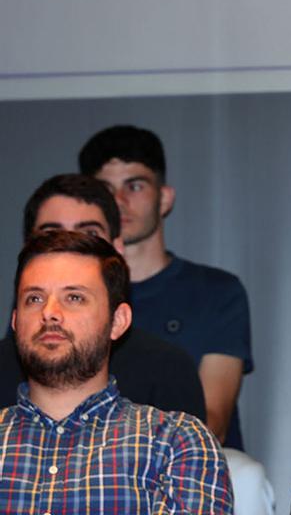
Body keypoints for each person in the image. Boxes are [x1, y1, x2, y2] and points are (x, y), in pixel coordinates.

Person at [0, 230, 231, 513]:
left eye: (74, 297)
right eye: (34, 299)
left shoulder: (174, 441)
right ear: (15, 321)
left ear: (118, 321)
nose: (49, 312)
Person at [79, 124, 253, 449]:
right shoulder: (60, 296)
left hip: (188, 468)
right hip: (82, 474)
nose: (118, 201)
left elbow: (211, 423)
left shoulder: (217, 292)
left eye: (134, 185)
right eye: (105, 189)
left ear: (165, 198)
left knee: (246, 475)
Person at [0, 173, 207, 419]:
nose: (67, 248)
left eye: (89, 234)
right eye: (50, 236)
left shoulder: (168, 372)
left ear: (118, 248)